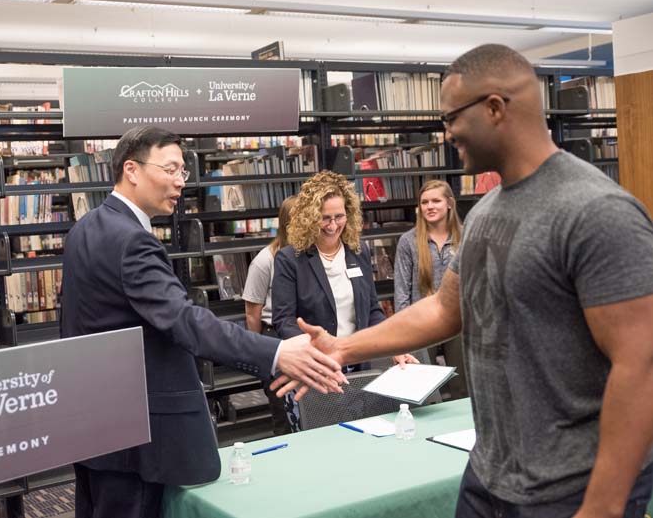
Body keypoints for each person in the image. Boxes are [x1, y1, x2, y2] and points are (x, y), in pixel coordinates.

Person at [274, 44, 653, 518]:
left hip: (571, 487)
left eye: (452, 115)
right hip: (491, 475)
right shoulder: (487, 213)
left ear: (495, 107)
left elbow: (642, 365)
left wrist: (605, 505)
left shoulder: (595, 212)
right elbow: (443, 309)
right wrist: (343, 349)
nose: (446, 130)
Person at [59, 126, 345, 518]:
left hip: (95, 423)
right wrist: (276, 351)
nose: (180, 182)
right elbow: (185, 321)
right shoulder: (132, 241)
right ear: (132, 169)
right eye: (171, 169)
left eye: (183, 172)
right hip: (139, 435)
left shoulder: (85, 229)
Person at [272, 170, 414, 431]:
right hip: (314, 368)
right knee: (318, 442)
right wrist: (316, 352)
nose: (333, 225)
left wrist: (393, 345)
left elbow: (372, 311)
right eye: (324, 218)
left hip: (356, 367)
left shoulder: (357, 254)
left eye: (339, 217)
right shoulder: (290, 259)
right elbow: (283, 320)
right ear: (309, 217)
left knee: (357, 436)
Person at [394, 179, 468, 401]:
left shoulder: (466, 236)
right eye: (424, 202)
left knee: (462, 391)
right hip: (421, 325)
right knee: (422, 393)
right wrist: (401, 336)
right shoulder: (408, 241)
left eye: (436, 200)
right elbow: (401, 293)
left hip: (458, 324)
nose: (430, 206)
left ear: (450, 204)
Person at [242, 195, 297, 435]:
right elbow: (252, 312)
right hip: (275, 339)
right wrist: (260, 357)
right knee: (283, 414)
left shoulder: (309, 255)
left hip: (302, 338)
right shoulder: (265, 260)